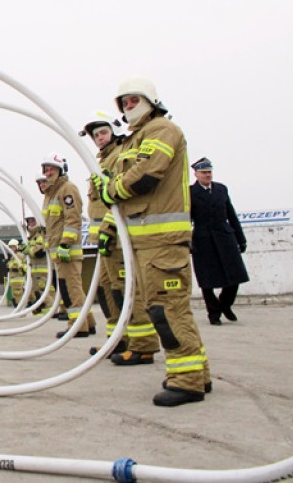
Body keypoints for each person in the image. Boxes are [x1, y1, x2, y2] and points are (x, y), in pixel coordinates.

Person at [96, 76, 211, 406]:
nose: (129, 107)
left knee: (166, 311)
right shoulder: (136, 138)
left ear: (150, 100)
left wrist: (110, 190)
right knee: (169, 310)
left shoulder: (162, 130)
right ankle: (197, 373)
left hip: (163, 242)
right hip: (145, 242)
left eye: (134, 100)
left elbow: (146, 174)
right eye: (124, 103)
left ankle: (187, 381)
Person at [81, 112, 160, 365]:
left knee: (126, 290)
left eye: (102, 133)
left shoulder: (119, 156)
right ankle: (119, 339)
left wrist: (111, 227)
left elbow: (120, 198)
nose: (99, 139)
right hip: (104, 239)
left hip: (116, 236)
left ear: (114, 132)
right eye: (95, 136)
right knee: (109, 291)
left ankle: (143, 345)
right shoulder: (101, 161)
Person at [189, 157, 249, 326]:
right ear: (196, 174)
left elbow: (231, 214)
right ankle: (213, 313)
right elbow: (187, 219)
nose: (208, 175)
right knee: (207, 280)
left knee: (235, 276)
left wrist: (240, 239)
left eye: (209, 172)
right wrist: (187, 241)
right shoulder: (190, 193)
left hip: (225, 237)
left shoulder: (221, 189)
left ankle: (225, 305)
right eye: (204, 172)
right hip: (203, 239)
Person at [41, 153, 95, 338]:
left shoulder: (67, 189)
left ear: (61, 170)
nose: (48, 173)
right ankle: (88, 322)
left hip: (67, 250)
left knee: (70, 287)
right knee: (73, 287)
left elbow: (73, 219)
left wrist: (65, 243)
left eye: (51, 169)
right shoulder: (51, 193)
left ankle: (77, 326)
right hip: (58, 251)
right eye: (46, 169)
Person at [24, 205, 50, 314]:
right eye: (29, 221)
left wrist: (28, 250)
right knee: (36, 293)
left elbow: (38, 251)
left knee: (44, 293)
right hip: (34, 272)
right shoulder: (31, 238)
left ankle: (49, 312)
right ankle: (40, 311)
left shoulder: (41, 235)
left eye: (33, 221)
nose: (31, 223)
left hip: (42, 272)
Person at [5, 238, 26, 307]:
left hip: (18, 278)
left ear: (16, 247)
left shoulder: (18, 255)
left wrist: (9, 265)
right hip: (14, 279)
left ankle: (20, 310)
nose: (11, 248)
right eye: (10, 247)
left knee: (18, 295)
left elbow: (16, 265)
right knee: (15, 296)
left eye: (13, 247)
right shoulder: (13, 256)